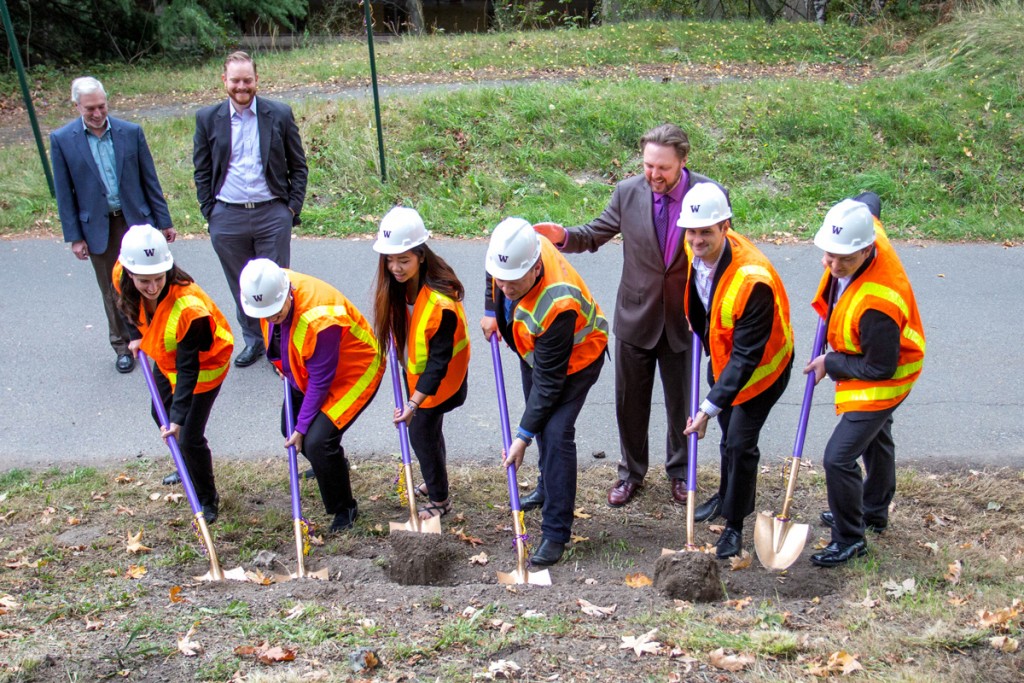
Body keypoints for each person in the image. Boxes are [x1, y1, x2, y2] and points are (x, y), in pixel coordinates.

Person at [531, 123, 727, 509]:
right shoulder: (627, 192)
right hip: (636, 318)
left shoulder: (708, 194)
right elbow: (596, 232)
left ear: (683, 162)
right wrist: (564, 236)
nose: (654, 175)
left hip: (685, 322)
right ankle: (630, 474)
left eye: (663, 168)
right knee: (630, 404)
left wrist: (711, 309)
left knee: (681, 406)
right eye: (648, 165)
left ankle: (680, 472)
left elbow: (723, 255)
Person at [805, 194, 925, 567]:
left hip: (888, 374)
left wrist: (832, 361)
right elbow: (869, 201)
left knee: (838, 459)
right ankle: (871, 511)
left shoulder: (878, 304)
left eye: (845, 258)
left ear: (866, 249)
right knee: (878, 439)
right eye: (829, 255)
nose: (835, 264)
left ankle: (849, 538)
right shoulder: (862, 225)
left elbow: (880, 369)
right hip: (875, 361)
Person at [678, 184, 794, 559]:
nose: (696, 239)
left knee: (740, 444)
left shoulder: (753, 280)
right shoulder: (693, 246)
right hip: (726, 359)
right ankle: (728, 493)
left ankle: (735, 525)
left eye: (705, 232)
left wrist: (707, 408)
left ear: (725, 227)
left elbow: (747, 358)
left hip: (762, 370)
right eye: (691, 231)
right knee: (728, 438)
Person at [484, 218, 608, 567]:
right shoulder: (512, 250)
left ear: (536, 267)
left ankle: (555, 532)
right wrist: (491, 311)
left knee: (554, 433)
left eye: (514, 282)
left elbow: (549, 383)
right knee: (538, 422)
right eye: (501, 280)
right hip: (531, 346)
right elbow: (493, 272)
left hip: (575, 360)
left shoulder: (558, 302)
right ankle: (544, 485)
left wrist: (520, 438)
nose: (505, 287)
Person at [239, 259, 383, 532]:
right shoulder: (267, 294)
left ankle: (345, 507)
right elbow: (280, 335)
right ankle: (331, 467)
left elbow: (321, 381)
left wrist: (304, 428)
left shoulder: (320, 318)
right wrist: (283, 365)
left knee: (317, 441)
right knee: (289, 427)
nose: (270, 318)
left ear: (288, 294)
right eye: (265, 314)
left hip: (353, 371)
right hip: (308, 367)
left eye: (276, 313)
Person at [51, 76, 175, 374]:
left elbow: (150, 180)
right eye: (90, 108)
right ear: (77, 105)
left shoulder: (130, 132)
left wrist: (164, 221)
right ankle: (123, 345)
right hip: (97, 227)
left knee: (153, 281)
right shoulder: (63, 140)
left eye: (102, 106)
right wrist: (75, 237)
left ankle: (158, 338)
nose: (97, 114)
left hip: (136, 221)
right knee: (113, 288)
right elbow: (64, 192)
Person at [193, 51, 308, 369]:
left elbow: (298, 166)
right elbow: (202, 170)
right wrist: (210, 211)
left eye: (247, 80)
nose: (241, 87)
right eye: (235, 81)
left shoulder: (279, 114)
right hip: (227, 216)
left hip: (272, 213)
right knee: (242, 283)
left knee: (277, 283)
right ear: (224, 81)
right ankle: (254, 341)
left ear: (256, 80)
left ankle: (280, 348)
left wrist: (291, 209)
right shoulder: (207, 119)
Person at [114, 225, 233, 523]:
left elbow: (188, 369)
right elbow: (124, 304)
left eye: (158, 278)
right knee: (160, 414)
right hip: (167, 358)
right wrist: (135, 334)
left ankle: (207, 498)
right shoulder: (121, 274)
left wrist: (179, 419)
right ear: (130, 273)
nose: (152, 287)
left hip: (204, 365)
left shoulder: (188, 307)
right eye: (144, 281)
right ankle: (185, 468)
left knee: (188, 436)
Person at [372, 207, 470, 520]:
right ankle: (434, 479)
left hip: (440, 384)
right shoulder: (397, 286)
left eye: (403, 259)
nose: (395, 267)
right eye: (389, 259)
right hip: (415, 376)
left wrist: (413, 404)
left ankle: (440, 500)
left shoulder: (441, 302)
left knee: (421, 436)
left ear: (421, 255)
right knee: (428, 434)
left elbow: (438, 363)